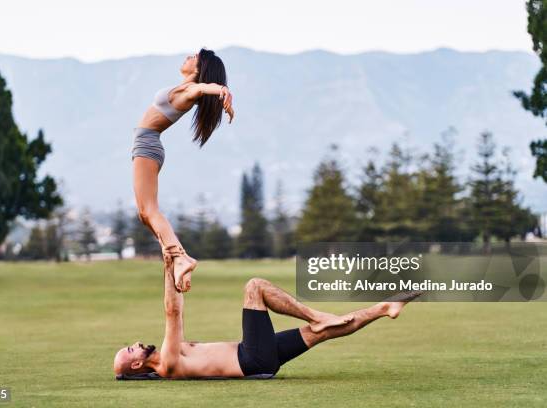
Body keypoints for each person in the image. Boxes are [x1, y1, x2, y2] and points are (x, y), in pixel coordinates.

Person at [113, 246, 421, 378]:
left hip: (256, 357)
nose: (136, 342)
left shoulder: (168, 361)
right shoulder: (167, 363)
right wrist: (168, 268)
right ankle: (315, 314)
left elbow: (174, 311)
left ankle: (385, 308)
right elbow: (173, 313)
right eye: (130, 349)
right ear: (138, 362)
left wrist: (173, 270)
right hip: (251, 359)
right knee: (255, 286)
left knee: (323, 332)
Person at [132, 48, 234, 293]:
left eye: (194, 58)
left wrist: (220, 90)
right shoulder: (183, 89)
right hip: (146, 145)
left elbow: (200, 88)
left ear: (199, 70)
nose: (188, 57)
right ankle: (175, 257)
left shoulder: (191, 90)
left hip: (147, 144)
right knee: (144, 215)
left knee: (150, 210)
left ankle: (181, 258)